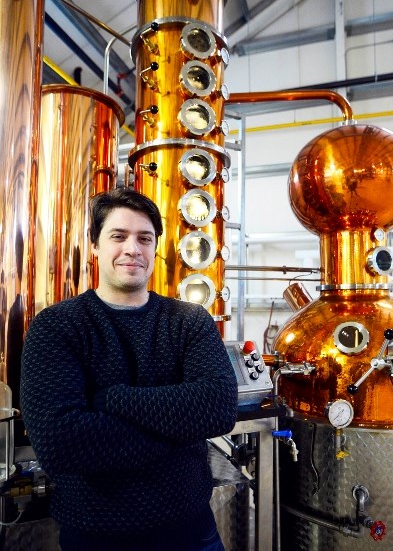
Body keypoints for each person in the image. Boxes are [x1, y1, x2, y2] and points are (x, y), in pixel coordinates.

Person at [20, 188, 238, 551]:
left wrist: (113, 399)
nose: (132, 248)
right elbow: (61, 445)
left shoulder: (189, 321)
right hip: (96, 534)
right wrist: (180, 431)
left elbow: (218, 408)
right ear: (95, 245)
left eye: (144, 238)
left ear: (155, 249)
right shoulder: (58, 326)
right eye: (118, 236)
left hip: (192, 531)